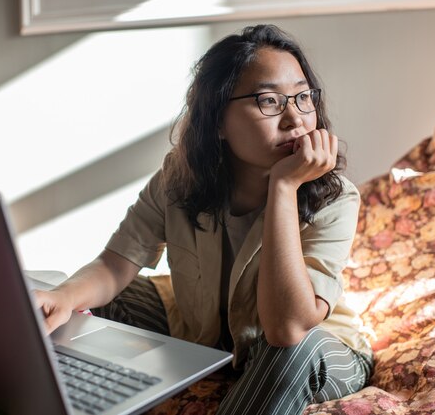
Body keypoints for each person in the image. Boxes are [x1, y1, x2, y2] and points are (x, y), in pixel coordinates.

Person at [35, 24, 373, 415]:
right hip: (207, 337)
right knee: (80, 296)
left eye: (302, 97)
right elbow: (115, 263)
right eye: (269, 101)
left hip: (319, 351)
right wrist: (62, 298)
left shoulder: (335, 197)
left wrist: (283, 187)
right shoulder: (178, 179)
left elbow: (287, 328)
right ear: (217, 121)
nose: (294, 119)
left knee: (291, 350)